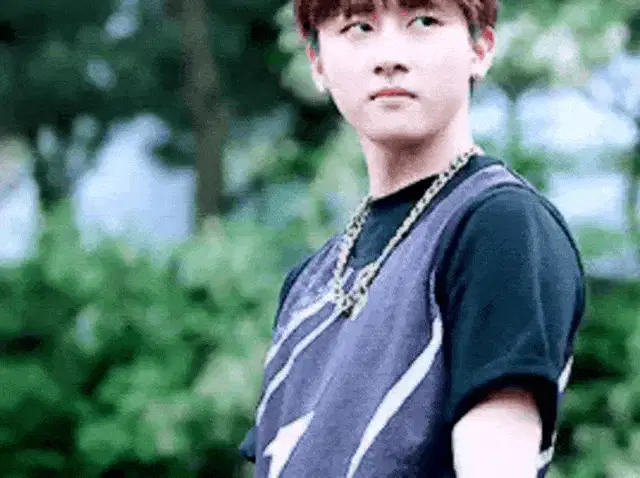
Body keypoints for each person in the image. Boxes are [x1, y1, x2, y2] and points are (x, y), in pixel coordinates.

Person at [238, 0, 586, 476]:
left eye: (423, 21)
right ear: (317, 62)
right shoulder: (308, 283)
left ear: (480, 48)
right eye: (359, 26)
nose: (389, 57)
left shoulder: (499, 227)